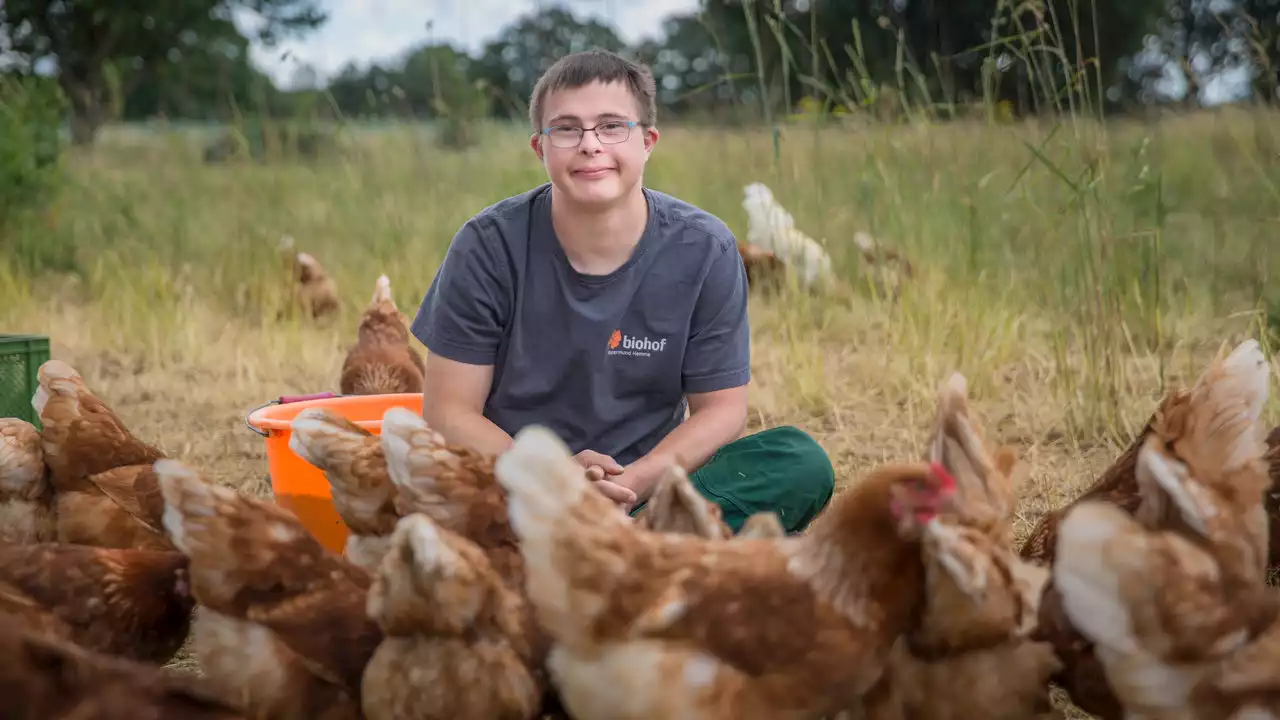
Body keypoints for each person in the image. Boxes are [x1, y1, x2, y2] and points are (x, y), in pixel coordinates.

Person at [409, 48, 834, 534]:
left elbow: (722, 410)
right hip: (519, 482)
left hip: (642, 486)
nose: (590, 144)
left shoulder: (705, 248)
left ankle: (628, 542)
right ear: (539, 148)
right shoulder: (486, 246)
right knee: (428, 491)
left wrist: (633, 483)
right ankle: (643, 554)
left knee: (799, 461)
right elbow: (449, 410)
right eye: (566, 128)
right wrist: (558, 479)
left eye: (612, 126)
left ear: (648, 141)